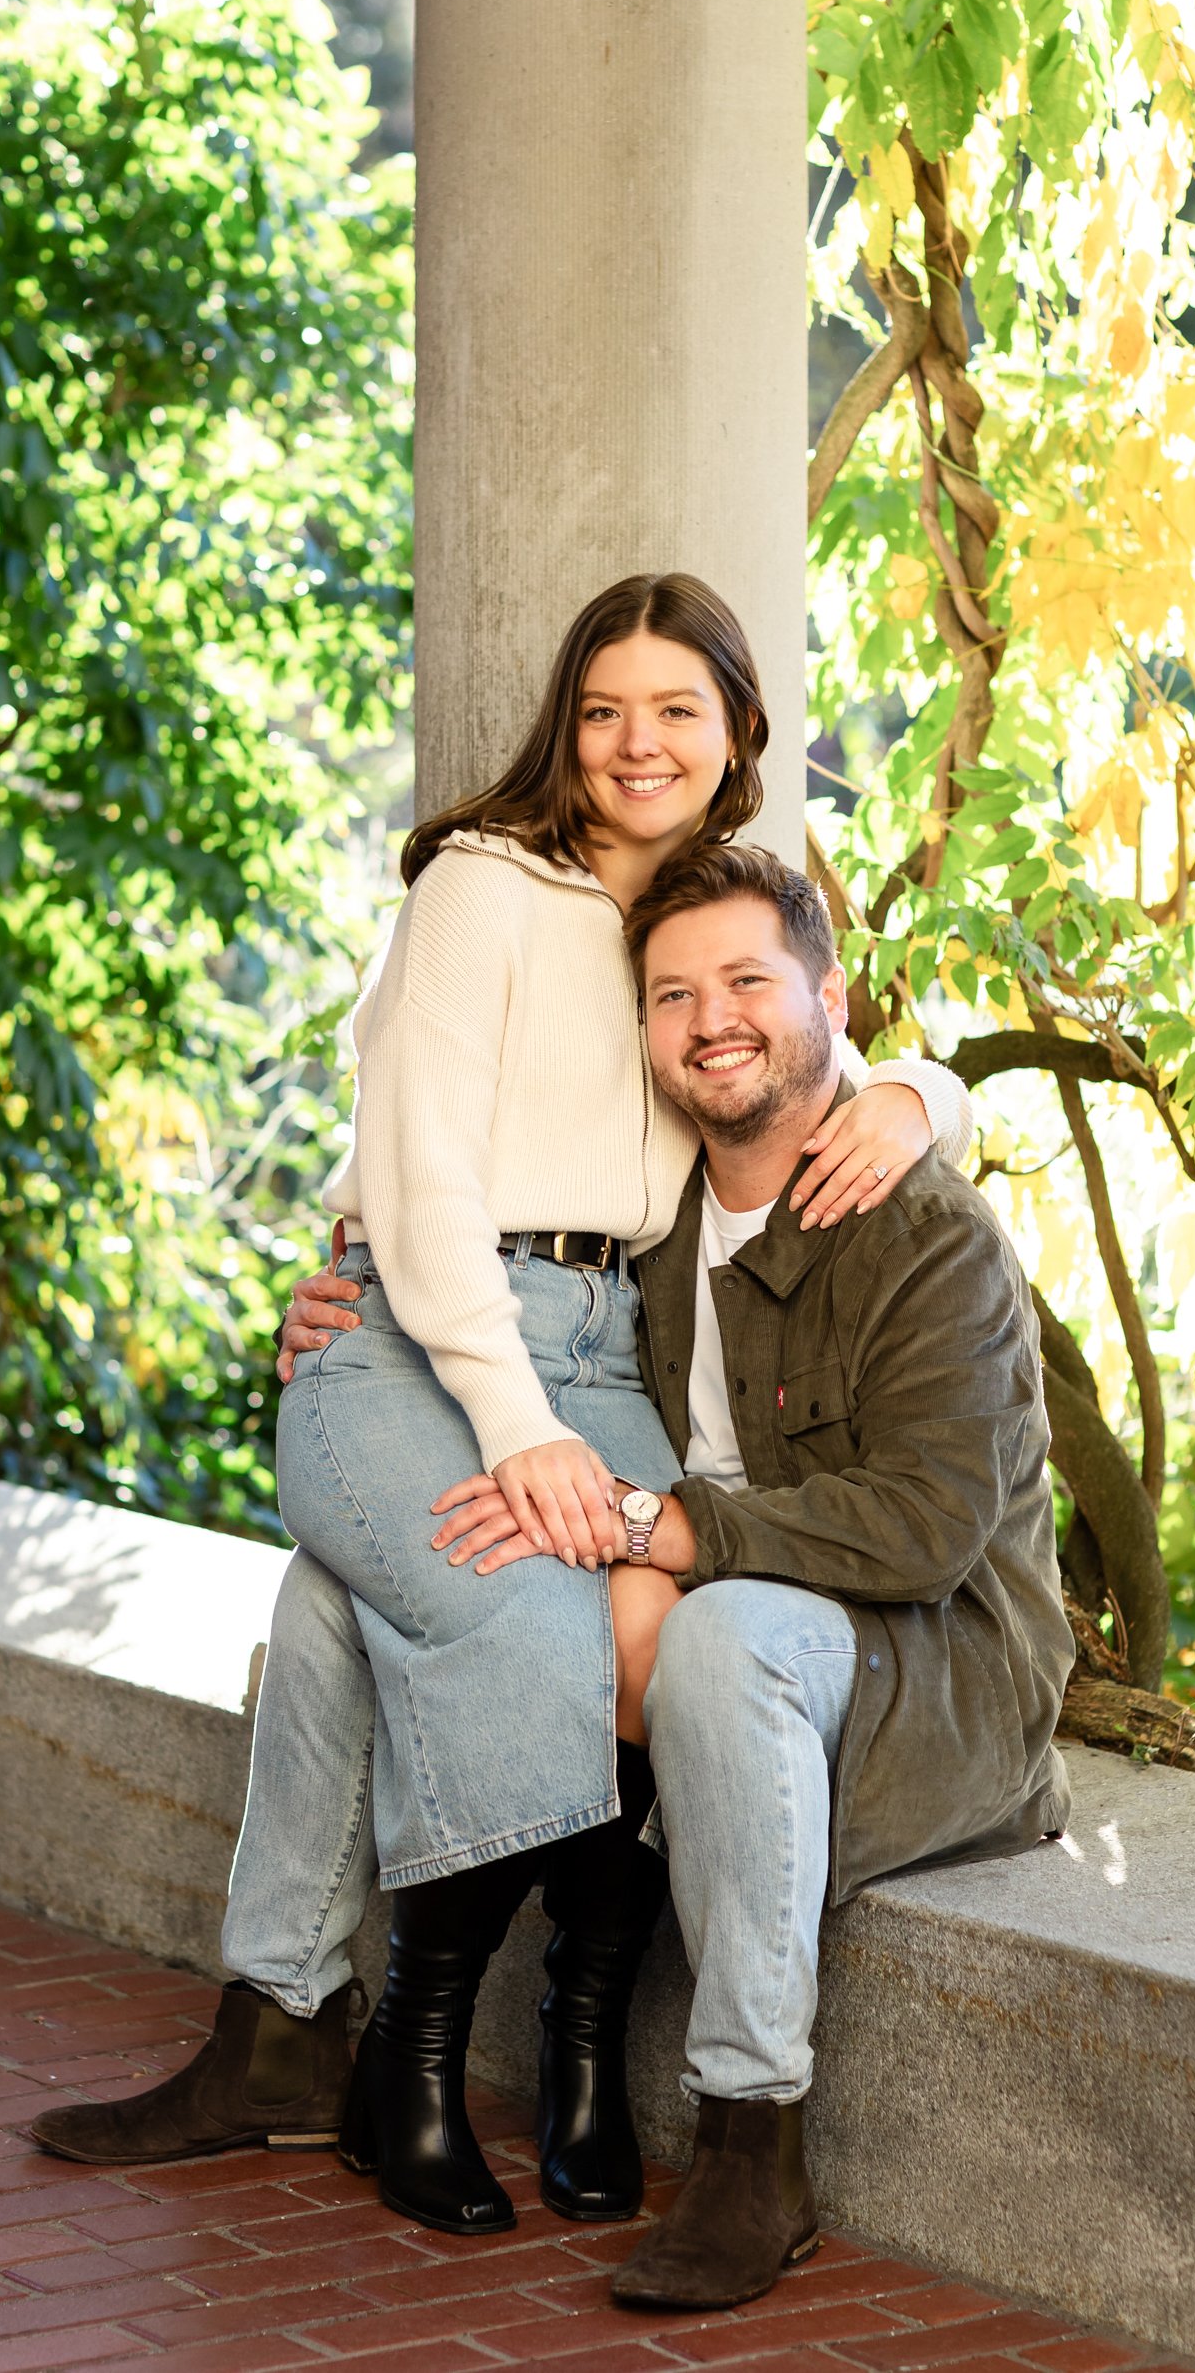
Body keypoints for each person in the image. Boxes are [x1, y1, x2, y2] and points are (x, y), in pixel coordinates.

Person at [29, 572, 973, 2239]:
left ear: (741, 733)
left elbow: (817, 1035)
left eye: (679, 708)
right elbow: (423, 1173)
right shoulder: (485, 882)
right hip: (412, 1338)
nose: (636, 742)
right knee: (549, 1639)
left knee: (474, 1613)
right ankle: (417, 2049)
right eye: (604, 706)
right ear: (564, 721)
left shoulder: (700, 913)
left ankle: (316, 2031)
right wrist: (511, 1418)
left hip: (605, 1346)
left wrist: (922, 1091)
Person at [426, 842, 1074, 2310]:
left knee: (709, 1638)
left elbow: (921, 1528)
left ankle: (749, 2140)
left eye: (746, 982)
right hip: (748, 1632)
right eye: (672, 994)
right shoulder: (651, 1231)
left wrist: (668, 1530)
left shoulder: (927, 1236)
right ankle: (373, 2025)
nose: (711, 1018)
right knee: (522, 1591)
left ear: (829, 998)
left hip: (939, 1663)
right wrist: (349, 1282)